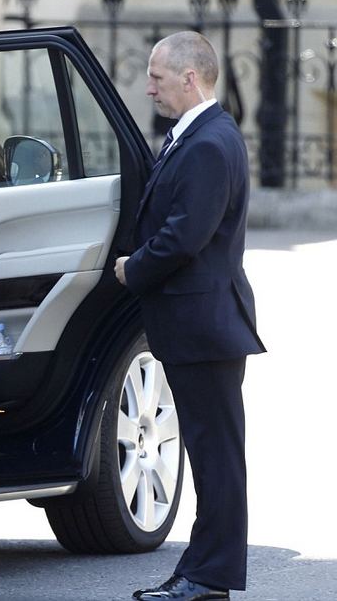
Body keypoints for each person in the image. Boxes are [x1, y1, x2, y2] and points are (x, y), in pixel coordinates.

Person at [114, 32, 266, 601]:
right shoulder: (199, 135)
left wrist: (134, 269)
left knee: (217, 458)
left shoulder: (206, 142)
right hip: (200, 325)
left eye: (157, 75)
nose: (148, 85)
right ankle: (204, 573)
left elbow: (184, 238)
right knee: (210, 455)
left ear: (190, 78)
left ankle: (209, 578)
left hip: (205, 327)